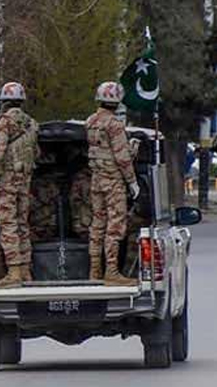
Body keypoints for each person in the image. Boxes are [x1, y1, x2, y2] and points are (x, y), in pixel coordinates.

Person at [0, 81, 40, 287]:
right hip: (25, 180)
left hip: (7, 181)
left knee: (7, 225)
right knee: (22, 225)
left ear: (4, 101)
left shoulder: (5, 122)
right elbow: (36, 153)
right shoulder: (32, 124)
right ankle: (25, 272)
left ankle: (13, 273)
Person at [85, 82, 140, 285]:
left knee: (97, 225)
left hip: (96, 179)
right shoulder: (114, 125)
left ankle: (94, 271)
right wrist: (132, 181)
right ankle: (112, 271)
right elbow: (122, 158)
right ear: (117, 102)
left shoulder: (90, 121)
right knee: (115, 226)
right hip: (113, 181)